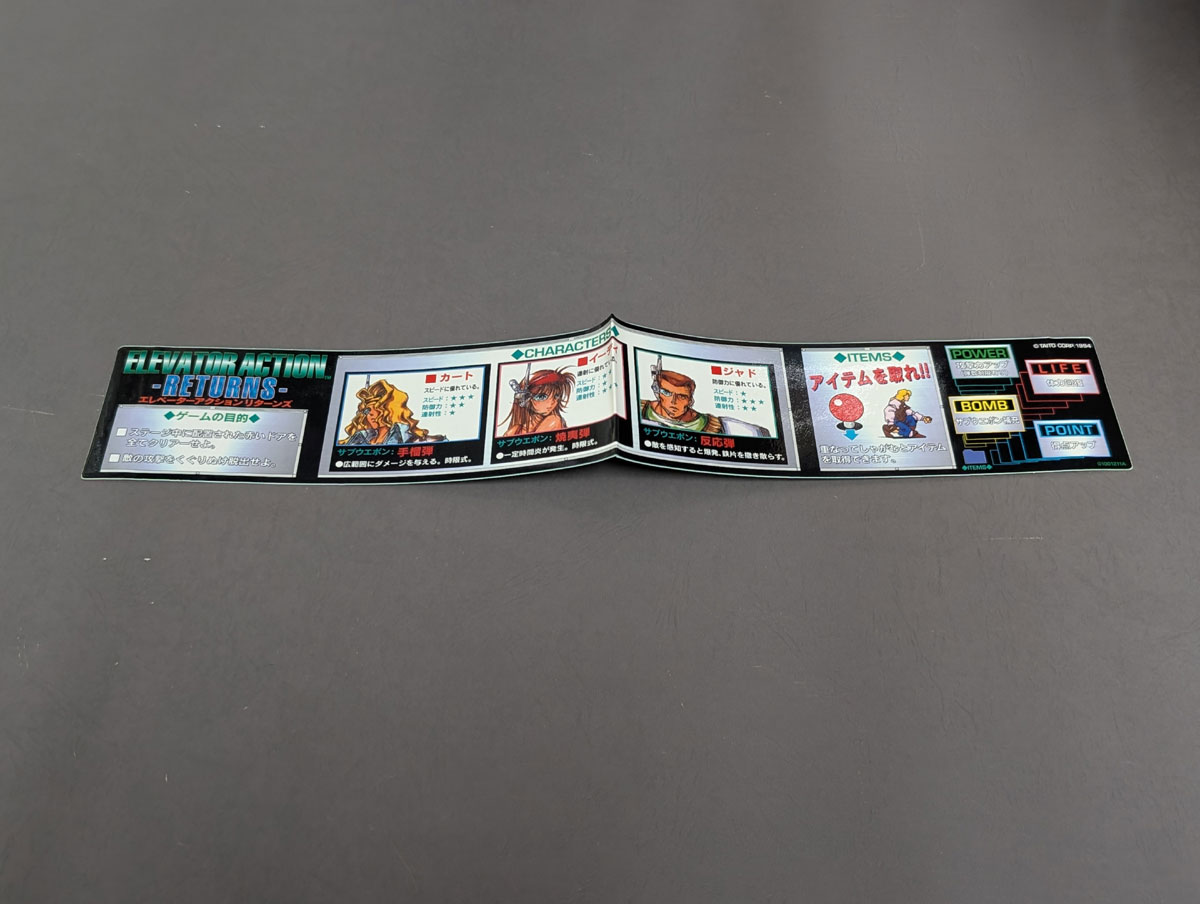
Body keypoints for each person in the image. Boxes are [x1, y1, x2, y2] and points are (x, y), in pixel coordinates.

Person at [639, 356, 769, 436]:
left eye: (681, 396)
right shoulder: (638, 409)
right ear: (657, 391)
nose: (673, 401)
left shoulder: (717, 426)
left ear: (690, 400)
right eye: (667, 393)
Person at [339, 378, 445, 445]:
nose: (371, 414)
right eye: (368, 410)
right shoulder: (360, 437)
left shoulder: (407, 438)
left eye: (378, 409)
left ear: (390, 410)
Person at [500, 366, 575, 436]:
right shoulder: (514, 430)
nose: (552, 402)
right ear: (525, 399)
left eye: (556, 396)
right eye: (542, 397)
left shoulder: (554, 420)